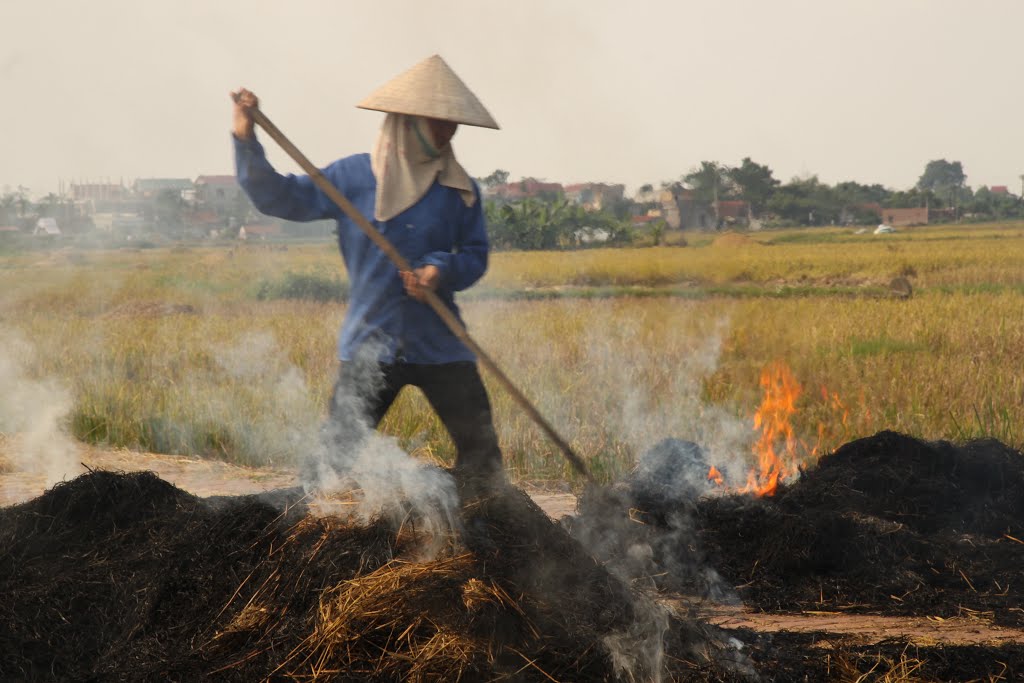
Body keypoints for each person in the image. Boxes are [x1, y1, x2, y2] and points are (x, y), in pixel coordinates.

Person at [231, 55, 504, 492]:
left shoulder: (460, 189)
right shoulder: (354, 177)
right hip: (370, 343)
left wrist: (441, 270)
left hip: (441, 342)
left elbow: (475, 254)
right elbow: (280, 198)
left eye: (453, 125)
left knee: (483, 459)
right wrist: (246, 138)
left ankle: (484, 540)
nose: (448, 133)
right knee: (333, 464)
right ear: (407, 121)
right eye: (438, 123)